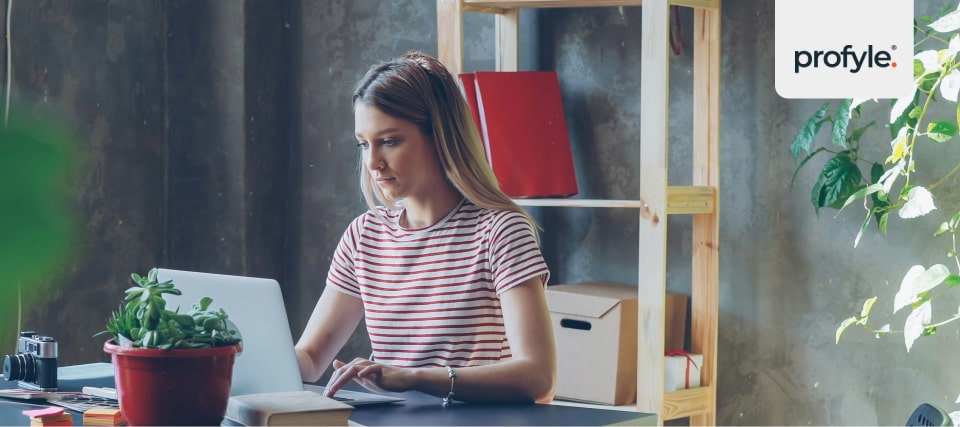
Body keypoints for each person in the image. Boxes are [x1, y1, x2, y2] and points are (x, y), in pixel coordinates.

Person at [294, 51, 557, 405]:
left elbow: (538, 376)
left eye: (389, 141)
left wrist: (412, 378)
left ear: (439, 136)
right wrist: (227, 357)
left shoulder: (500, 231)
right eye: (363, 144)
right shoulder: (364, 236)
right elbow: (310, 359)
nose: (373, 162)